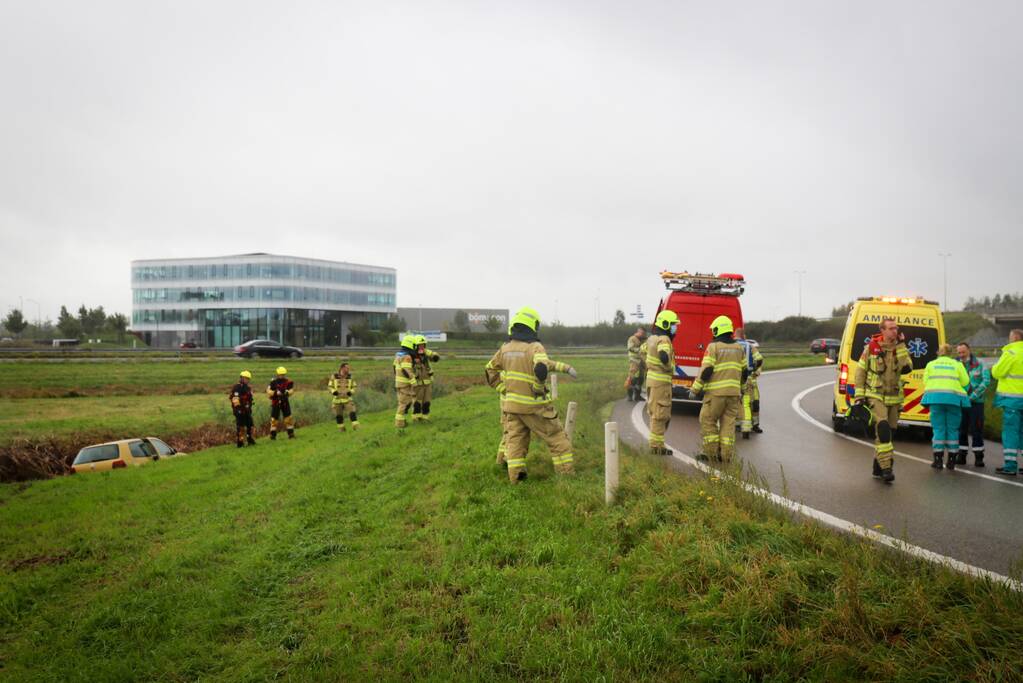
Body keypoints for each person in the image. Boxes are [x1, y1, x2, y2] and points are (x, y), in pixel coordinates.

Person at [484, 306, 577, 483]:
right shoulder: (535, 347)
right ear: (532, 326)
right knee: (557, 438)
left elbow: (489, 370)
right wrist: (538, 387)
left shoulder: (505, 349)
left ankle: (517, 478)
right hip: (534, 407)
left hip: (512, 407)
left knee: (516, 442)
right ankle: (566, 475)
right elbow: (541, 367)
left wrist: (504, 389)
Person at [850, 318, 912, 483]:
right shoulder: (870, 349)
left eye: (896, 328)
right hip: (875, 394)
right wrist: (859, 397)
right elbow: (860, 372)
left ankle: (877, 466)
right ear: (882, 330)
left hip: (894, 397)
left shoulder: (901, 348)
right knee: (883, 429)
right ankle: (886, 468)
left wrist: (901, 345)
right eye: (891, 328)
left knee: (889, 433)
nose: (895, 331)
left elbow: (907, 367)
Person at [690, 316, 747, 463]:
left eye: (714, 330)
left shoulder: (713, 347)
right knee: (728, 424)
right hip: (734, 394)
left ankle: (710, 453)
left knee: (708, 420)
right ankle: (726, 455)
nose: (713, 332)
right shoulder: (739, 348)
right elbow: (744, 372)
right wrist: (742, 389)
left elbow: (707, 370)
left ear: (718, 329)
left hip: (715, 394)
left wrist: (695, 389)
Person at [922, 344, 970, 470]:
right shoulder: (958, 365)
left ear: (939, 352)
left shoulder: (931, 364)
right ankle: (951, 461)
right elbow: (965, 382)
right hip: (953, 400)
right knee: (953, 430)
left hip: (935, 400)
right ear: (951, 353)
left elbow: (925, 382)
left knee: (938, 429)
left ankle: (938, 461)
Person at [644, 311, 679, 454]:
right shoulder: (664, 339)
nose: (675, 328)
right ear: (665, 324)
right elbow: (663, 356)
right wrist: (668, 367)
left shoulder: (651, 338)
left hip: (651, 380)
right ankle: (657, 447)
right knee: (661, 414)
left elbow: (642, 351)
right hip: (661, 382)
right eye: (673, 325)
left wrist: (650, 366)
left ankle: (655, 444)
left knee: (654, 412)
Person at [992, 329, 1023, 476]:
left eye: (1010, 337)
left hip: (1012, 401)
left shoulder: (1010, 353)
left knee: (1011, 432)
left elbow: (997, 372)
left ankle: (1010, 465)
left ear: (1015, 338)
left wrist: (994, 368)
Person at [956, 342, 991, 467]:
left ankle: (979, 457)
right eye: (959, 352)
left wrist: (973, 396)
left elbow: (986, 381)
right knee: (961, 429)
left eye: (963, 352)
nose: (961, 355)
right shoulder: (956, 364)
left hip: (976, 403)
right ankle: (961, 455)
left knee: (977, 429)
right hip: (961, 402)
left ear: (969, 350)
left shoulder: (980, 363)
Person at [735, 328, 764, 439]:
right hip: (749, 379)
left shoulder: (730, 346)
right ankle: (748, 426)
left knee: (735, 403)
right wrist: (755, 370)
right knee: (749, 403)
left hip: (734, 379)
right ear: (744, 336)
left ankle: (743, 425)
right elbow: (760, 359)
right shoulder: (749, 346)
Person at [412, 334, 441, 421]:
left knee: (427, 401)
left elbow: (434, 355)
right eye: (419, 345)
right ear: (415, 346)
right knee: (417, 401)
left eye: (423, 345)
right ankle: (416, 417)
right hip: (417, 383)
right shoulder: (412, 355)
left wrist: (435, 356)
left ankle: (425, 417)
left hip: (427, 382)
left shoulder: (426, 353)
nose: (421, 346)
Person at [327, 362, 359, 432]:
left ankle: (356, 428)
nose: (348, 369)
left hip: (348, 399)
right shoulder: (334, 376)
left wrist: (351, 392)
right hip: (337, 400)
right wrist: (334, 392)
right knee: (339, 416)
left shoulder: (350, 376)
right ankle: (341, 429)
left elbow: (354, 386)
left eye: (349, 368)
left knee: (352, 412)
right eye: (347, 368)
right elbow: (330, 386)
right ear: (342, 368)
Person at [393, 334, 417, 428]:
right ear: (410, 345)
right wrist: (413, 380)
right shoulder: (407, 357)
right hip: (405, 384)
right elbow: (406, 370)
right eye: (414, 345)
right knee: (403, 404)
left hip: (399, 383)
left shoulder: (398, 355)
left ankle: (401, 421)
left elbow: (394, 368)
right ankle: (399, 424)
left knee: (404, 402)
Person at [267, 366, 296, 439]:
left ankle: (291, 434)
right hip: (276, 402)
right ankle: (273, 435)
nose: (282, 376)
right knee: (274, 419)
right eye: (280, 374)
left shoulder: (288, 382)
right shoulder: (273, 382)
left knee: (288, 418)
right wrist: (275, 393)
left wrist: (287, 392)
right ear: (277, 374)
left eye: (283, 374)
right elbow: (268, 391)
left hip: (285, 402)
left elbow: (292, 390)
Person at [229, 370, 256, 448]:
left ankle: (250, 440)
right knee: (241, 427)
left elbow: (250, 398)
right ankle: (240, 443)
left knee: (250, 425)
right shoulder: (237, 387)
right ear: (241, 378)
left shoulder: (248, 388)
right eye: (245, 378)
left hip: (247, 410)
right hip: (239, 410)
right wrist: (238, 410)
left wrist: (249, 406)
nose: (247, 380)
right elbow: (235, 400)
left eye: (248, 379)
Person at [625, 327, 647, 402]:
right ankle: (629, 395)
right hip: (634, 361)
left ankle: (637, 396)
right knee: (632, 378)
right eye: (642, 333)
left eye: (644, 333)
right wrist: (640, 350)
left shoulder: (644, 339)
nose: (643, 334)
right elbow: (630, 348)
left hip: (642, 361)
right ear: (638, 332)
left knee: (640, 379)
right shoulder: (632, 339)